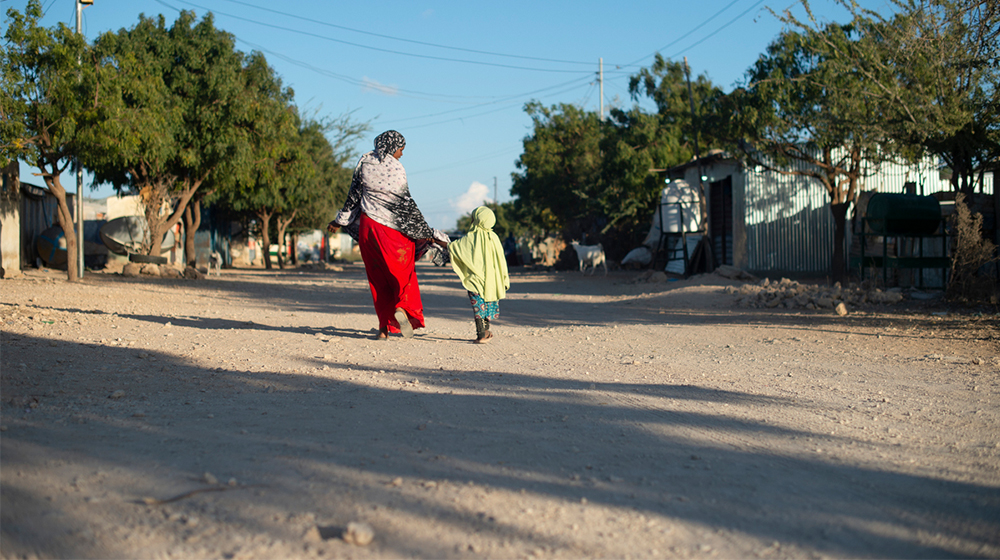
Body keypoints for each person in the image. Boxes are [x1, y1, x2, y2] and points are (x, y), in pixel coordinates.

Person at [327, 130, 446, 340]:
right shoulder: (396, 167)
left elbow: (353, 197)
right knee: (403, 274)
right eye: (401, 149)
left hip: (368, 228)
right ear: (393, 147)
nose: (401, 154)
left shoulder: (365, 162)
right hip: (392, 232)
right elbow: (405, 205)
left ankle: (383, 329)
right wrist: (425, 231)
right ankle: (402, 309)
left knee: (378, 280)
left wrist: (339, 221)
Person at [449, 206, 510, 343]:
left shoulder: (472, 237)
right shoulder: (494, 237)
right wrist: (503, 277)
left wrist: (437, 241)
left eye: (473, 218)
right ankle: (485, 331)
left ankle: (482, 333)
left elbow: (455, 247)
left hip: (476, 279)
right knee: (487, 304)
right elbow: (501, 259)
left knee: (478, 306)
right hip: (491, 280)